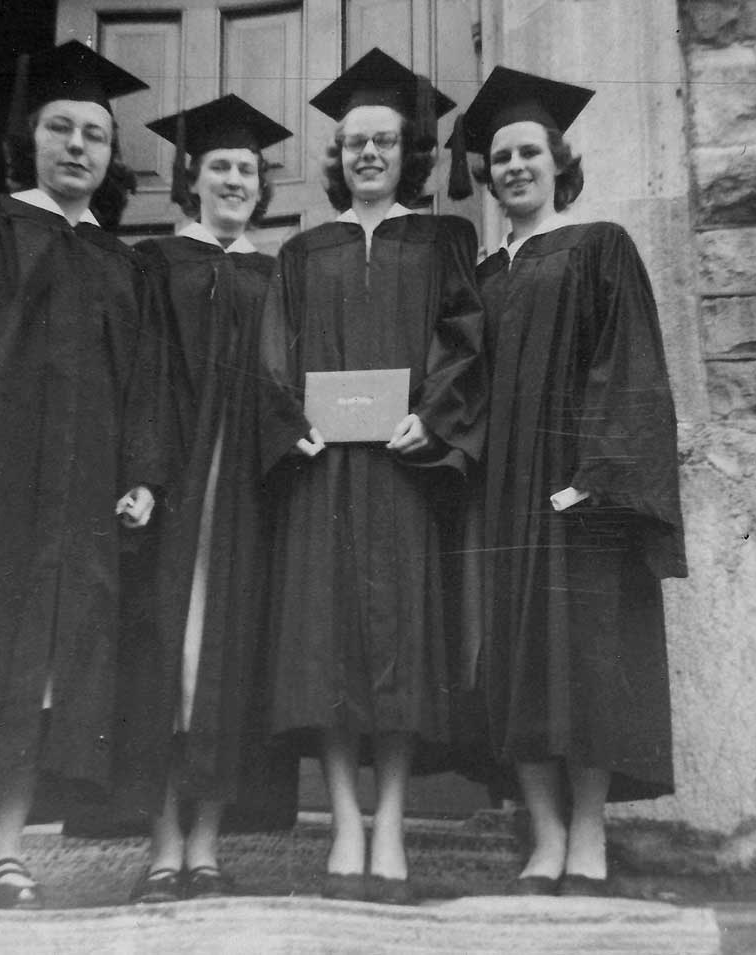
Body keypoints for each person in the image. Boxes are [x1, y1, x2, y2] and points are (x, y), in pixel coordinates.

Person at [0, 41, 163, 909]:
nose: (77, 146)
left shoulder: (122, 261)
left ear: (111, 155)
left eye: (95, 134)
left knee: (52, 657)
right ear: (29, 138)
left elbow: (145, 378)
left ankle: (11, 842)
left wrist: (143, 471)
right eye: (60, 128)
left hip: (83, 488)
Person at [448, 66, 687, 896]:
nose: (514, 166)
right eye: (502, 155)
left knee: (584, 659)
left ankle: (588, 835)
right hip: (502, 498)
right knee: (517, 662)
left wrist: (598, 475)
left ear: (558, 163)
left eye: (529, 153)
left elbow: (631, 371)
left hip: (579, 494)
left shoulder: (600, 248)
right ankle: (543, 836)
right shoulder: (479, 275)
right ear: (486, 172)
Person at [258, 48, 487, 905]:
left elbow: (465, 341)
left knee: (397, 651)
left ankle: (389, 820)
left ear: (410, 153)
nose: (367, 155)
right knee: (327, 652)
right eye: (354, 142)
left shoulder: (444, 239)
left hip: (401, 471)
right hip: (322, 477)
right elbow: (272, 356)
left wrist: (430, 414)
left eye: (384, 142)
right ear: (337, 154)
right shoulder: (302, 251)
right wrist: (292, 423)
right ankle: (346, 819)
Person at [117, 95, 296, 904]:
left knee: (229, 661)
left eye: (247, 170)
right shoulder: (155, 264)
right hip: (175, 495)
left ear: (263, 187)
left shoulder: (276, 274)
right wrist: (146, 476)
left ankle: (208, 845)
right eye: (219, 166)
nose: (233, 179)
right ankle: (162, 847)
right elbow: (141, 377)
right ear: (191, 177)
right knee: (163, 663)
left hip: (248, 505)